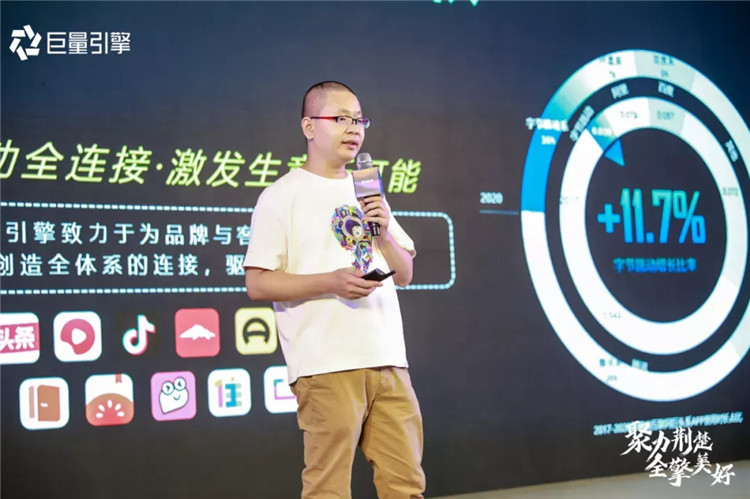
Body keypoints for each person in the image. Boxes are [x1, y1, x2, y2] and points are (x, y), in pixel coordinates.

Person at [243, 81, 426, 498]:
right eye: (340, 118)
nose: (353, 128)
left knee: (406, 485)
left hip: (388, 360)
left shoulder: (368, 190)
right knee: (328, 487)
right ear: (309, 126)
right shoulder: (281, 196)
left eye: (359, 120)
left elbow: (404, 273)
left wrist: (383, 234)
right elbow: (257, 282)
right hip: (325, 364)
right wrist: (331, 281)